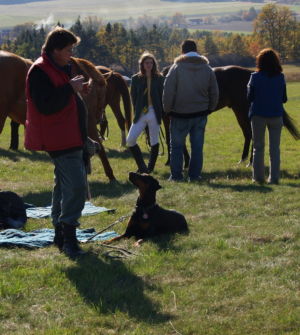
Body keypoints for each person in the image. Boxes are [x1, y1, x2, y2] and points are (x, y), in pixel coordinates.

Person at [25, 27, 92, 258]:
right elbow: (45, 105)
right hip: (58, 138)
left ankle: (60, 235)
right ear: (55, 50)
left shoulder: (62, 66)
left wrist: (77, 90)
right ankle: (70, 239)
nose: (71, 53)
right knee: (75, 186)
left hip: (71, 135)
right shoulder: (39, 71)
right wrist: (69, 89)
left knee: (63, 186)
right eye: (68, 49)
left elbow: (63, 97)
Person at [163, 39, 219, 181]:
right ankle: (194, 175)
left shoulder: (176, 68)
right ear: (196, 50)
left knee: (176, 147)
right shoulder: (207, 69)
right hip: (200, 113)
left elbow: (168, 91)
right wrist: (210, 108)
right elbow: (214, 91)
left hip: (179, 114)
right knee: (197, 147)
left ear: (182, 51)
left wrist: (167, 110)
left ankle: (176, 176)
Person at [247, 48, 287, 185]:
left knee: (258, 147)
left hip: (258, 115)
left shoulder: (254, 77)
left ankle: (258, 178)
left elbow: (250, 97)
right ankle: (274, 178)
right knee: (274, 149)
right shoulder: (281, 77)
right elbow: (284, 99)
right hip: (276, 115)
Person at [126, 52, 164, 173]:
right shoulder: (135, 78)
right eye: (146, 62)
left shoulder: (160, 78)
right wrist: (138, 110)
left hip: (154, 112)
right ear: (142, 64)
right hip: (141, 113)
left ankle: (149, 169)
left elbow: (163, 96)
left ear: (154, 64)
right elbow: (134, 97)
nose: (149, 65)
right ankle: (142, 166)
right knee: (130, 140)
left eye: (151, 62)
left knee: (154, 140)